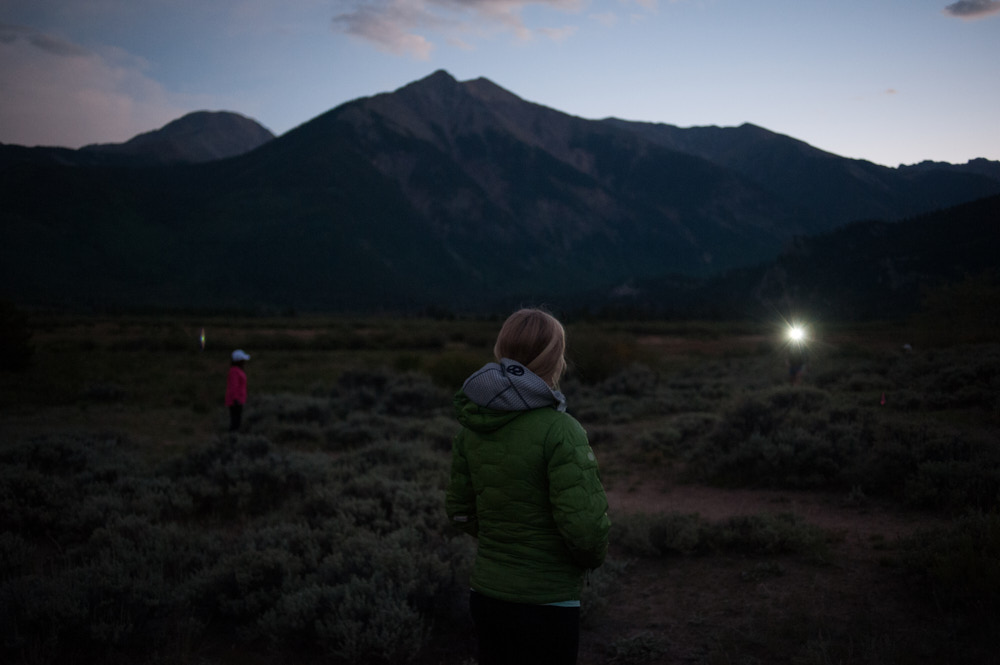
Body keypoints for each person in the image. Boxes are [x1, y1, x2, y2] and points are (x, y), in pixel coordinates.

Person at [446, 308, 610, 665]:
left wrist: (503, 540)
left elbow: (460, 511)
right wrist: (587, 560)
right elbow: (585, 531)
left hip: (487, 594)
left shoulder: (471, 427)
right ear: (555, 359)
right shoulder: (561, 430)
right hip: (548, 601)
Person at [225, 349, 250, 432]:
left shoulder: (237, 371)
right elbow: (233, 387)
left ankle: (233, 438)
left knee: (237, 422)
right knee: (235, 423)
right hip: (235, 401)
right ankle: (232, 439)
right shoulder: (234, 372)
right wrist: (236, 400)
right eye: (242, 360)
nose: (244, 362)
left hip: (238, 400)